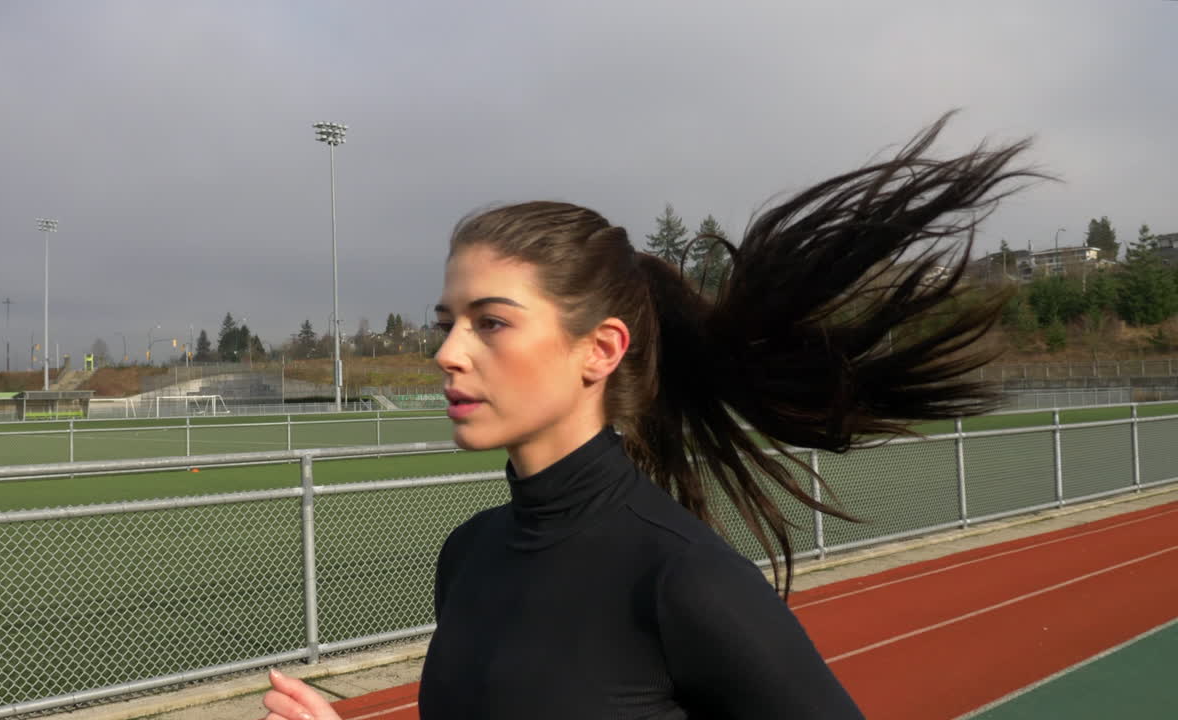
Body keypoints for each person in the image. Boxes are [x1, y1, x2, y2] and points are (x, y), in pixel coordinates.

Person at [259, 112, 1042, 719]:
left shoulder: (684, 580)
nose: (449, 353)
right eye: (446, 323)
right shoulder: (467, 557)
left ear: (599, 349)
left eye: (490, 322)